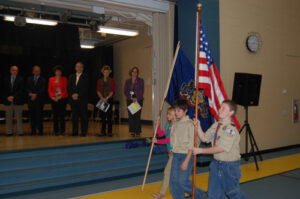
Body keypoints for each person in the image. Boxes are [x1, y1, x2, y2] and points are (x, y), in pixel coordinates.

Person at [193, 100, 246, 199]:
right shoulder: (216, 125)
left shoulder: (231, 129)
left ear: (231, 112)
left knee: (233, 193)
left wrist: (200, 151)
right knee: (213, 195)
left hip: (229, 166)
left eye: (223, 108)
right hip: (216, 164)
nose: (219, 109)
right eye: (220, 107)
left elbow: (221, 148)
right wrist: (198, 126)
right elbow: (204, 138)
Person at [169, 99, 205, 199]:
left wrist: (186, 161)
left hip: (186, 155)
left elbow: (192, 144)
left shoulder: (190, 124)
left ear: (185, 111)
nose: (176, 113)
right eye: (175, 110)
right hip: (176, 155)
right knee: (173, 183)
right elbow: (173, 140)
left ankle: (198, 194)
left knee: (182, 181)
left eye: (179, 111)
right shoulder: (175, 123)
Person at [152, 107, 176, 199]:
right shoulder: (168, 124)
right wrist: (157, 125)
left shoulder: (175, 126)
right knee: (174, 173)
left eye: (169, 114)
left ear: (174, 115)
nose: (167, 116)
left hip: (175, 152)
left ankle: (161, 194)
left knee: (167, 172)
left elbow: (169, 140)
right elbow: (161, 134)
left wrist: (158, 141)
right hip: (170, 152)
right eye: (167, 114)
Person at [67, 62, 89, 137]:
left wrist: (78, 94)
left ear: (82, 68)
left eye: (80, 67)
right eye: (77, 67)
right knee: (74, 117)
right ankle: (75, 132)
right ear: (75, 68)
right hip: (73, 100)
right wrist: (72, 94)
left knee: (84, 117)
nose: (79, 68)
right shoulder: (71, 76)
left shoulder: (86, 76)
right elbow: (68, 87)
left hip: (82, 100)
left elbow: (85, 88)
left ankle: (83, 132)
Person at [3, 65, 24, 136]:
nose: (15, 71)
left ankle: (20, 132)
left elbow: (21, 90)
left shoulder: (21, 79)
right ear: (10, 71)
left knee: (18, 117)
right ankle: (9, 132)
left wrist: (13, 96)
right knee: (8, 117)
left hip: (18, 101)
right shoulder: (6, 79)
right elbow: (3, 90)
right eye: (13, 70)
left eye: (16, 70)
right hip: (8, 101)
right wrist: (7, 97)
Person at [124, 66, 144, 137]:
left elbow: (141, 91)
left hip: (138, 100)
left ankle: (137, 131)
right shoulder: (127, 81)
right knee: (131, 116)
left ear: (137, 73)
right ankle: (132, 131)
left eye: (136, 71)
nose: (134, 73)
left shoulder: (141, 80)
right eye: (133, 71)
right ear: (131, 72)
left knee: (137, 116)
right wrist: (131, 98)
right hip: (130, 100)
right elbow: (125, 91)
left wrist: (136, 98)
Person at [48, 65, 68, 136]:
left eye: (59, 71)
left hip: (62, 99)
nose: (58, 72)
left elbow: (66, 90)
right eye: (57, 71)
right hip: (54, 100)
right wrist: (52, 97)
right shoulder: (51, 79)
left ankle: (62, 131)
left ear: (61, 72)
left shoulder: (64, 79)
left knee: (62, 116)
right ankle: (56, 131)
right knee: (55, 116)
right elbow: (49, 90)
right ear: (55, 72)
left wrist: (59, 97)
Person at [26, 65, 46, 135]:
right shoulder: (29, 79)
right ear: (33, 71)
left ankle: (40, 131)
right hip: (31, 100)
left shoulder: (43, 80)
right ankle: (33, 131)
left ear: (40, 72)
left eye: (38, 71)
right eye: (35, 70)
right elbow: (27, 88)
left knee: (39, 117)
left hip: (39, 101)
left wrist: (36, 94)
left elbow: (43, 89)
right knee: (32, 117)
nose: (37, 72)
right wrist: (31, 94)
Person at [96, 65, 115, 137]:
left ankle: (109, 132)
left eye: (107, 72)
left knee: (109, 117)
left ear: (109, 73)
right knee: (103, 117)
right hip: (102, 99)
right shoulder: (99, 80)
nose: (106, 73)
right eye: (105, 72)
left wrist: (106, 98)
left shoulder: (112, 80)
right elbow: (98, 90)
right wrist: (102, 98)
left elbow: (112, 90)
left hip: (109, 99)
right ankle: (102, 131)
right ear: (103, 72)